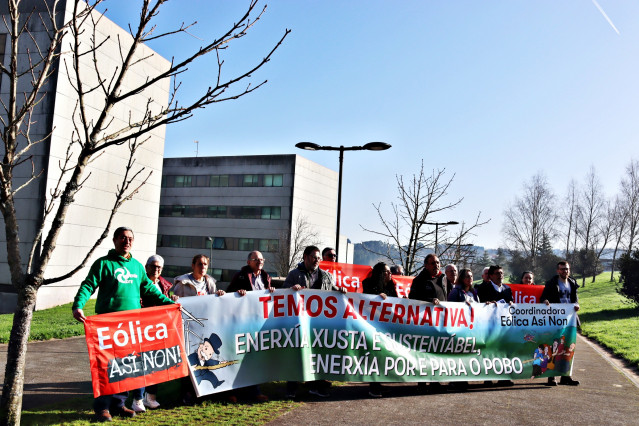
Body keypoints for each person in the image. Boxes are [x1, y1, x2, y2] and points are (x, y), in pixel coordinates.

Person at [72, 227, 174, 422]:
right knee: (107, 367)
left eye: (130, 239)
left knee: (127, 367)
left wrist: (171, 304)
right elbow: (88, 285)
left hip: (131, 327)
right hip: (108, 326)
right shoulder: (103, 264)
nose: (126, 241)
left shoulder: (136, 267)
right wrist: (78, 305)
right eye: (123, 238)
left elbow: (150, 291)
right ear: (114, 240)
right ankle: (102, 408)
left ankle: (119, 404)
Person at [283, 245, 346, 398]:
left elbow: (333, 290)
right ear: (305, 257)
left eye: (319, 258)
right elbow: (283, 293)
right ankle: (292, 387)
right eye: (314, 257)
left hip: (318, 323)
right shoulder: (294, 274)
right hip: (299, 322)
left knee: (317, 354)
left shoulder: (326, 276)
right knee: (296, 352)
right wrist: (291, 289)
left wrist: (340, 290)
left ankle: (315, 386)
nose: (317, 260)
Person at [226, 251, 274, 402]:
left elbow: (267, 297)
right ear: (248, 262)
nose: (259, 262)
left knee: (254, 358)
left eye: (261, 259)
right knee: (238, 357)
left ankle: (255, 391)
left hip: (258, 323)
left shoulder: (265, 277)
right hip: (241, 322)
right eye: (256, 259)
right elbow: (228, 295)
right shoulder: (239, 276)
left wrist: (271, 291)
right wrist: (237, 294)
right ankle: (232, 392)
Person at [409, 254, 446, 393]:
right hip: (424, 323)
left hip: (440, 322)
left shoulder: (442, 279)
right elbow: (412, 299)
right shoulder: (419, 280)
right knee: (424, 353)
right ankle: (422, 382)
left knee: (437, 352)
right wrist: (429, 300)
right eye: (432, 263)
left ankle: (435, 381)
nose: (436, 265)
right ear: (425, 265)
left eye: (437, 262)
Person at [362, 262, 398, 398]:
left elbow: (395, 301)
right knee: (374, 355)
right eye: (387, 272)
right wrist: (377, 297)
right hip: (372, 326)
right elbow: (365, 300)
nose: (390, 274)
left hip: (386, 326)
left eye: (390, 272)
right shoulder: (368, 284)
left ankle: (379, 383)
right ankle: (373, 387)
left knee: (383, 355)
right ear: (380, 274)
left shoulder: (390, 285)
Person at [541, 261, 580, 386]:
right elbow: (543, 298)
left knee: (568, 348)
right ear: (558, 271)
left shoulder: (572, 283)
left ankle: (566, 376)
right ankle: (551, 377)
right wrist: (545, 301)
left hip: (570, 319)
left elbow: (575, 299)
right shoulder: (552, 283)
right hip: (556, 319)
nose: (565, 271)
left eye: (567, 269)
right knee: (554, 347)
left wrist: (577, 305)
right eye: (563, 269)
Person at [141, 254, 172, 410]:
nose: (156, 269)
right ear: (146, 267)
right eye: (153, 266)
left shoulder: (165, 285)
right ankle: (138, 398)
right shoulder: (140, 283)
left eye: (159, 267)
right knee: (142, 364)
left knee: (156, 363)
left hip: (160, 330)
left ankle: (151, 397)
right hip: (143, 329)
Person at [475, 265, 514, 387]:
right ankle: (488, 377)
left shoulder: (507, 289)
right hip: (488, 326)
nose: (500, 275)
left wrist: (511, 303)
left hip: (504, 327)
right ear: (490, 276)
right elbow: (478, 304)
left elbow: (510, 305)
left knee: (504, 352)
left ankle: (504, 377)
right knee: (489, 352)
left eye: (501, 273)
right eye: (497, 273)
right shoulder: (482, 288)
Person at [447, 268, 478, 391]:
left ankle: (464, 378)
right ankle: (454, 381)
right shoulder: (456, 292)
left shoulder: (474, 293)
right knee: (457, 354)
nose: (470, 279)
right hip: (459, 328)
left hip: (471, 328)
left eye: (471, 276)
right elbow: (450, 308)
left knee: (467, 354)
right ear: (462, 279)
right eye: (467, 277)